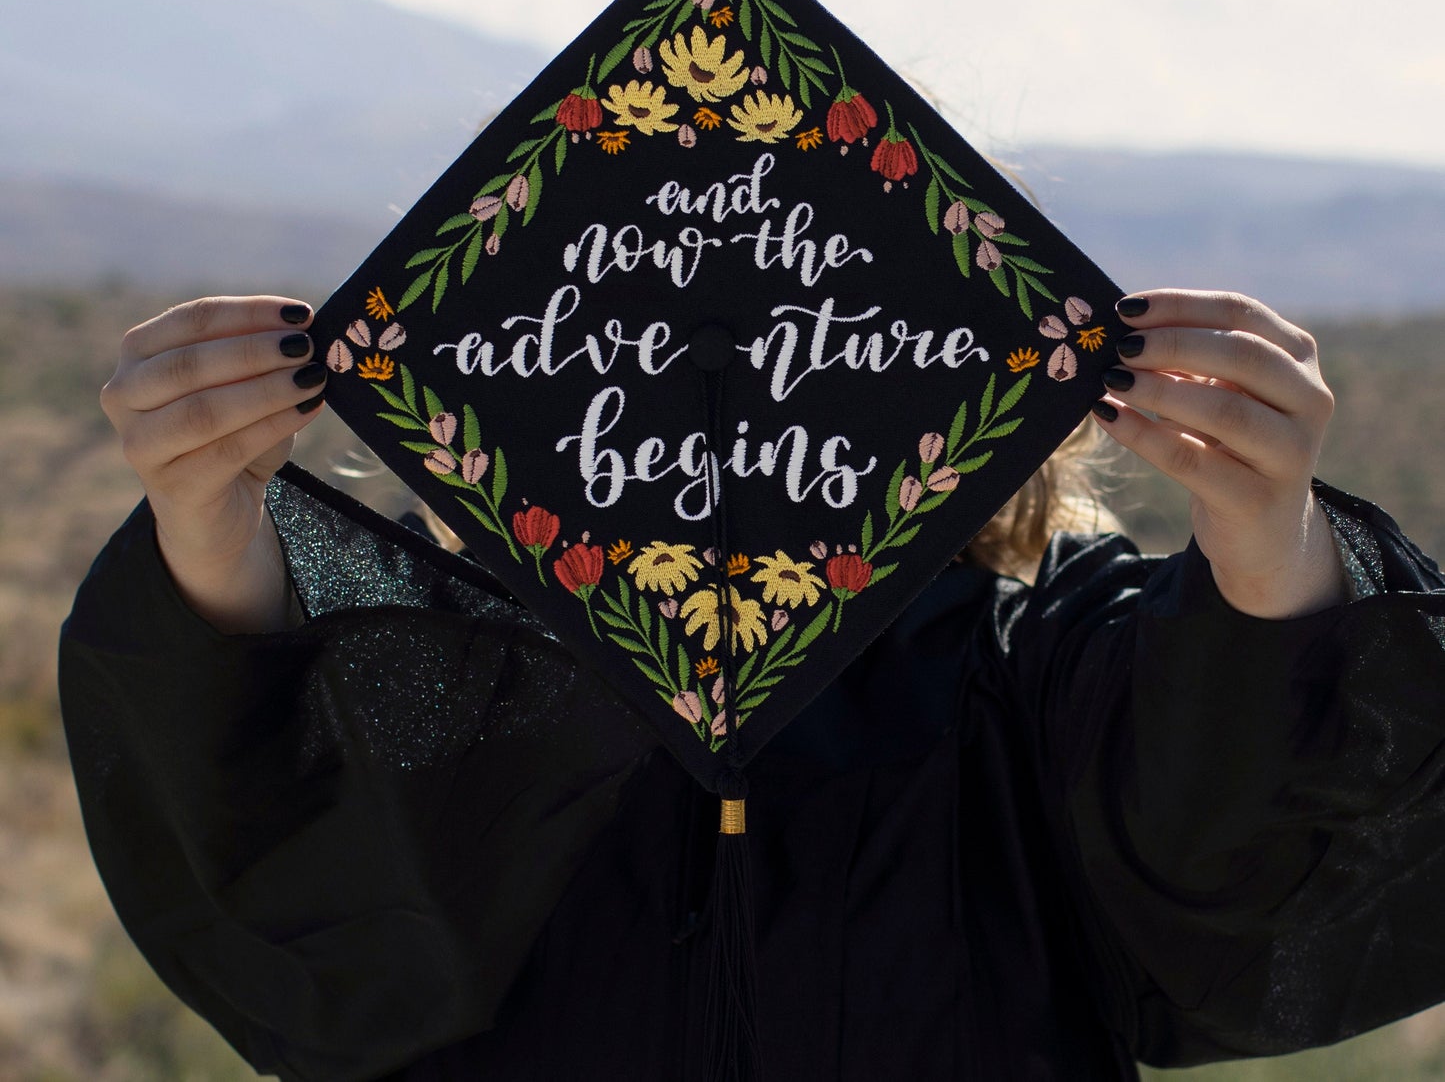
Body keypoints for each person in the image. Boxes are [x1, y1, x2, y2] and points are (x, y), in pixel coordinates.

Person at [60, 288, 1445, 1082]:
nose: (731, 406)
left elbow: (1246, 796)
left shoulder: (1025, 675)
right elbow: (273, 828)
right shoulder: (478, 697)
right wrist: (208, 530)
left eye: (802, 343)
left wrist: (1271, 545)